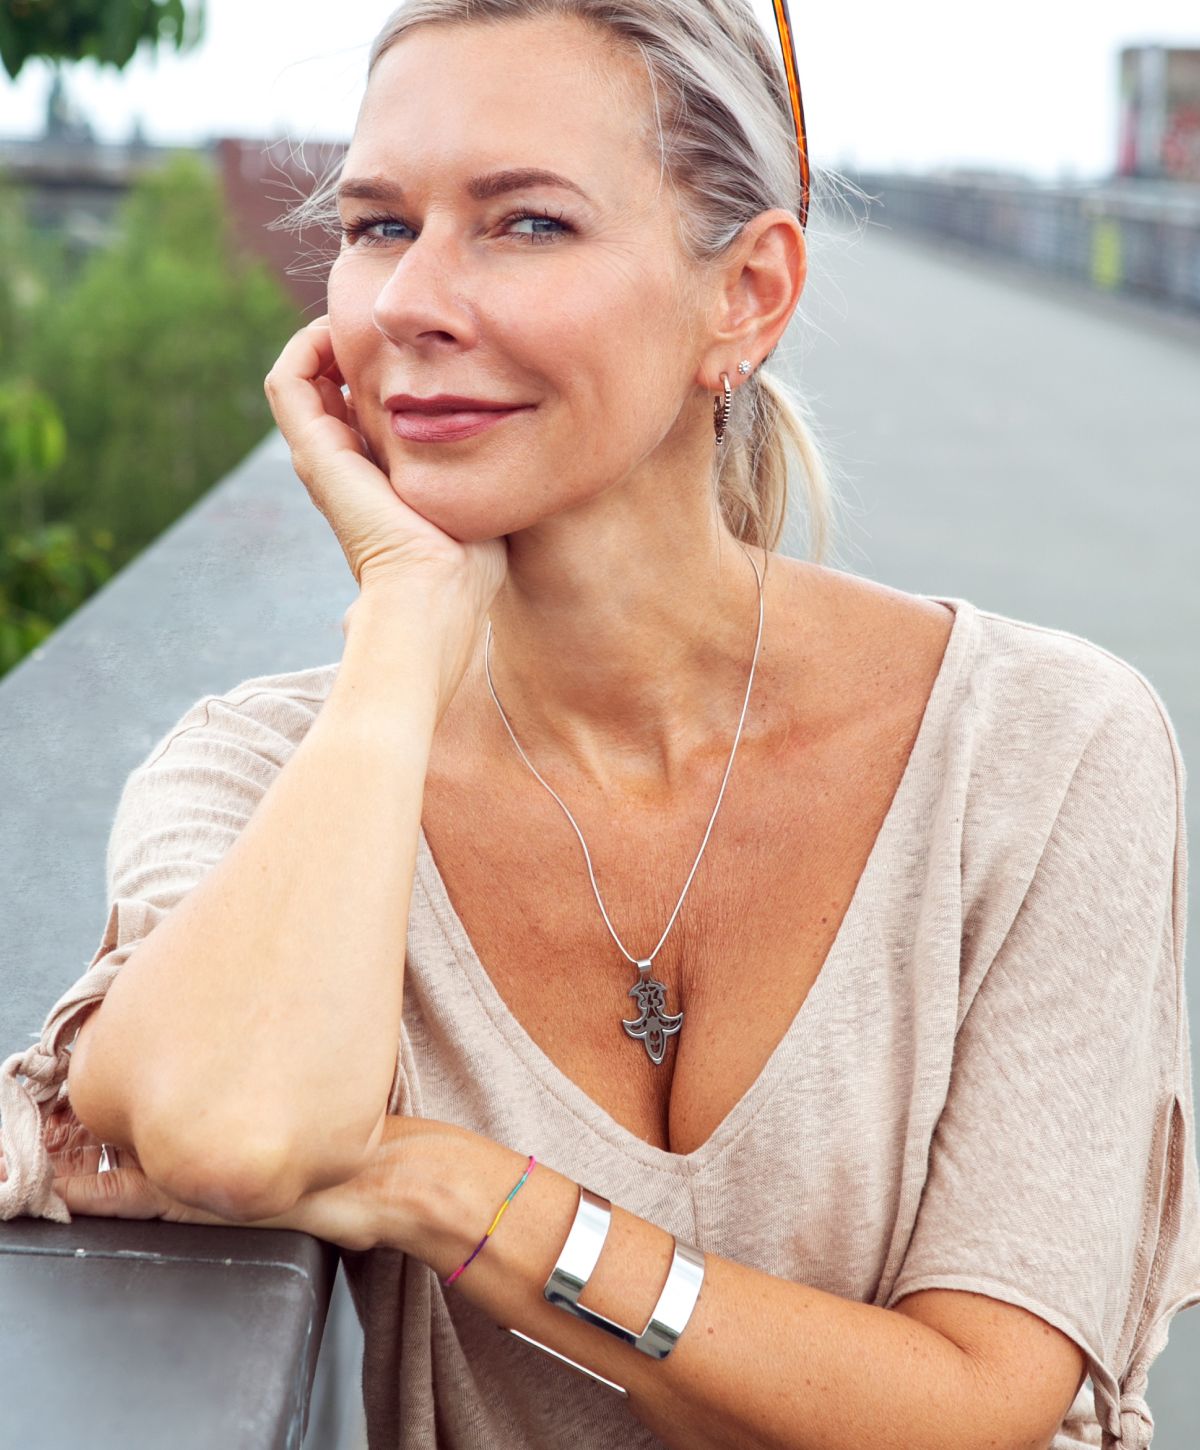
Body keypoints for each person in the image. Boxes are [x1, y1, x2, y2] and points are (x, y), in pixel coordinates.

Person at [2, 2, 1198, 1447]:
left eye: (527, 227)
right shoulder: (266, 772)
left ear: (747, 295)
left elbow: (973, 1402)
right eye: (379, 227)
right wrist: (398, 630)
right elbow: (231, 1125)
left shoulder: (1039, 749)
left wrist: (449, 1188)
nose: (411, 304)